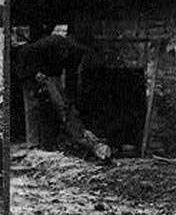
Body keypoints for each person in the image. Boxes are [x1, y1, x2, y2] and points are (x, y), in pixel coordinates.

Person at [16, 29, 111, 161]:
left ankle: (79, 138)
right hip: (30, 70)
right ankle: (33, 146)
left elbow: (71, 78)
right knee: (33, 107)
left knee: (63, 107)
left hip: (51, 75)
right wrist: (34, 72)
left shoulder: (76, 53)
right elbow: (27, 55)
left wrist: (69, 102)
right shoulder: (52, 42)